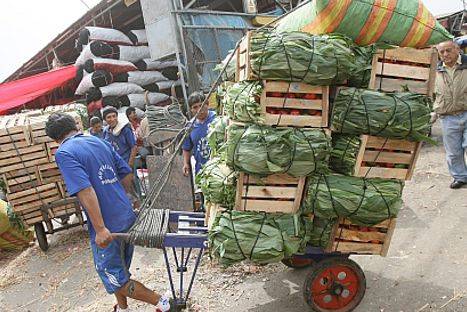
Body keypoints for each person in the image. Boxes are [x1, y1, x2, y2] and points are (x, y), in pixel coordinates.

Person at [45, 112, 170, 312]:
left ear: (54, 139)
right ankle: (122, 308)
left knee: (112, 276)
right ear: (75, 126)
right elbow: (126, 173)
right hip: (125, 214)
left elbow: (85, 190)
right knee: (119, 270)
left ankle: (162, 303)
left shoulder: (64, 153)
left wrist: (101, 228)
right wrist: (118, 198)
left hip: (108, 224)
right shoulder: (98, 141)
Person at [432, 40, 467, 189]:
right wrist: (434, 111)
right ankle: (460, 177)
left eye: (448, 50)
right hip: (447, 117)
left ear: (457, 49)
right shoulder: (436, 70)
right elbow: (432, 94)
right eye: (442, 52)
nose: (445, 54)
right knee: (453, 152)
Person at [182, 91, 216, 176]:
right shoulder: (190, 126)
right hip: (201, 170)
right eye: (195, 107)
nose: (199, 110)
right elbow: (186, 147)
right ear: (191, 110)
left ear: (207, 105)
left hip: (217, 169)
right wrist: (186, 163)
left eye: (201, 105)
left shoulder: (217, 119)